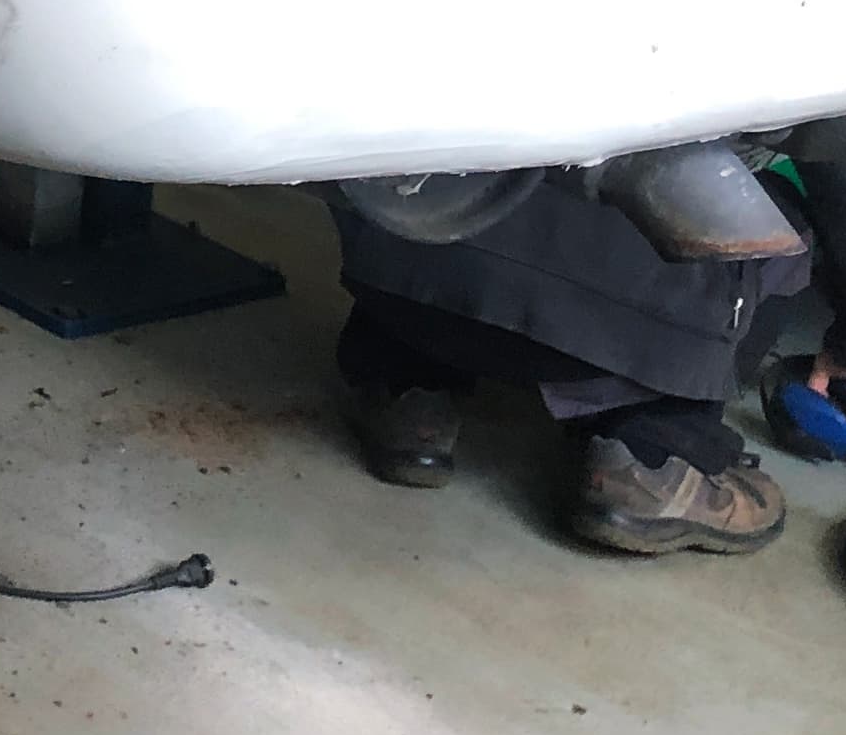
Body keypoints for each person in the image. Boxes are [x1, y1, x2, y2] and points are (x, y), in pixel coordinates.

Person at [328, 178, 815, 555]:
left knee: (446, 156)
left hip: (405, 263)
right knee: (793, 215)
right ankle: (651, 454)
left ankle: (409, 393)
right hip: (607, 317)